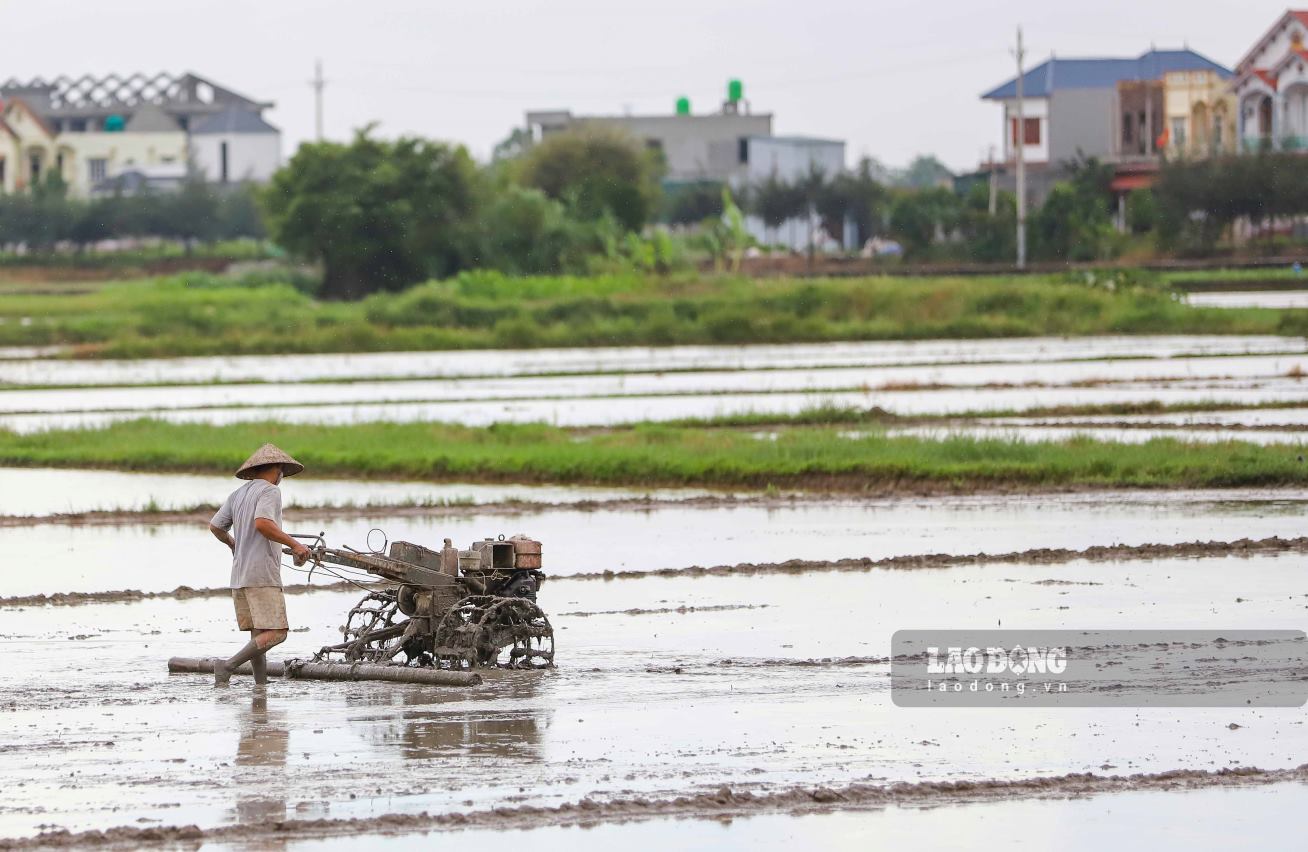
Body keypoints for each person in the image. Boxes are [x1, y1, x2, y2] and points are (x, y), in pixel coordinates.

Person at [208, 443, 310, 687]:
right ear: (276, 469)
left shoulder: (238, 494)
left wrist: (234, 545)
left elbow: (215, 526)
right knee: (277, 633)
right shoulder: (270, 491)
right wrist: (295, 545)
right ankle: (228, 666)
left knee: (259, 635)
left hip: (240, 575)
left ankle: (260, 687)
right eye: (281, 471)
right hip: (262, 574)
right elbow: (263, 524)